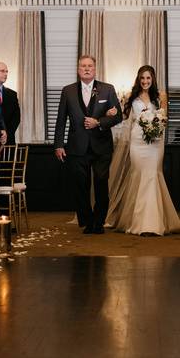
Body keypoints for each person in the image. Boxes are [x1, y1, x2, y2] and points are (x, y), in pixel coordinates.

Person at [106, 66, 180, 235]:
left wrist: (154, 128)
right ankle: (136, 221)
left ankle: (153, 223)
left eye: (148, 78)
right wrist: (111, 112)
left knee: (153, 175)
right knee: (138, 175)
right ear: (138, 80)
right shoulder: (131, 96)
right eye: (142, 78)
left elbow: (164, 119)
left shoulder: (160, 96)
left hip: (155, 142)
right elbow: (124, 117)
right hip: (137, 141)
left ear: (153, 79)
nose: (145, 81)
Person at [53, 55, 123, 234]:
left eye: (90, 66)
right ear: (78, 70)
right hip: (77, 146)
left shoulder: (107, 89)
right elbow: (61, 119)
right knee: (80, 186)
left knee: (101, 184)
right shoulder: (67, 91)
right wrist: (59, 144)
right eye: (83, 66)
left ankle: (99, 222)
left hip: (101, 147)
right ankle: (87, 220)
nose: (86, 69)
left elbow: (118, 116)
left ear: (95, 69)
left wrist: (99, 122)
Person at [0, 62, 21, 144]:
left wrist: (7, 134)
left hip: (8, 141)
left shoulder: (12, 94)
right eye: (2, 71)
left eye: (7, 71)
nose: (5, 74)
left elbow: (16, 118)